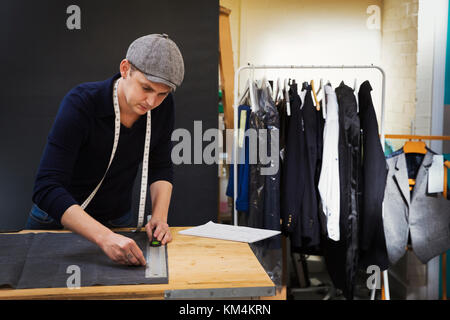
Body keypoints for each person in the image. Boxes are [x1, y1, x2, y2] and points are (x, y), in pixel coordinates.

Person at [25, 34, 184, 267]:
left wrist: (159, 217)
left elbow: (160, 165)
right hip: (57, 219)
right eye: (146, 88)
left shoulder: (162, 107)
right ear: (125, 68)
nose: (151, 102)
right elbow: (46, 188)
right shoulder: (81, 103)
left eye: (162, 94)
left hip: (116, 221)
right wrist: (103, 237)